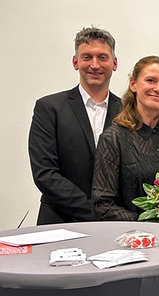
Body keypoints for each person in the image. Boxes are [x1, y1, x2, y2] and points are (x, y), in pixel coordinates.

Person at [29, 27, 121, 225]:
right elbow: (45, 173)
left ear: (114, 63)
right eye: (87, 57)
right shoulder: (49, 108)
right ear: (75, 62)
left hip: (115, 227)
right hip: (59, 223)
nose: (95, 65)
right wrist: (95, 212)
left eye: (102, 57)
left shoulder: (128, 113)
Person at [92, 55, 159, 221]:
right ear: (133, 84)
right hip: (131, 238)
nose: (158, 89)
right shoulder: (113, 138)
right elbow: (102, 203)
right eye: (151, 80)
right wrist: (148, 222)